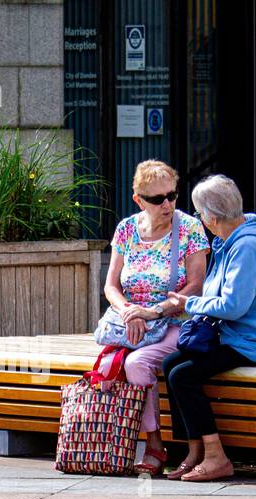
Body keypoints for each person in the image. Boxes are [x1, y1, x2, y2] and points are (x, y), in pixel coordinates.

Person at [162, 174, 256, 482]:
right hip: (233, 336)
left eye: (199, 213)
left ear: (213, 218)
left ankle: (217, 456)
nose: (199, 219)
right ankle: (194, 451)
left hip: (254, 342)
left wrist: (189, 304)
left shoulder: (247, 248)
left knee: (184, 374)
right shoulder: (228, 242)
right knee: (170, 364)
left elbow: (233, 306)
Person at [101, 159, 208, 475]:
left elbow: (196, 286)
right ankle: (124, 441)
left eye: (173, 195)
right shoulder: (127, 229)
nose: (168, 204)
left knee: (137, 363)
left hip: (177, 321)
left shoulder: (189, 228)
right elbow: (111, 285)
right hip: (133, 323)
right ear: (138, 200)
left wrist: (154, 311)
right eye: (157, 199)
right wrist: (129, 312)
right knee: (113, 363)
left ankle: (154, 445)